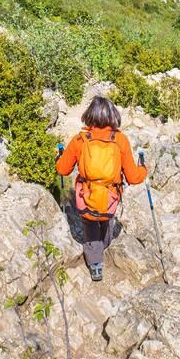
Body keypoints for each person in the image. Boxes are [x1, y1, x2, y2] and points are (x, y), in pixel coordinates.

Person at [55, 95, 146, 282]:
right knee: (106, 220)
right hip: (110, 200)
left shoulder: (80, 140)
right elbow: (133, 177)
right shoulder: (120, 140)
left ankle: (96, 265)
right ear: (113, 116)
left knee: (89, 225)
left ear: (89, 115)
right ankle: (105, 244)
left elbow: (62, 169)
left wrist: (59, 157)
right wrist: (143, 168)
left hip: (86, 198)